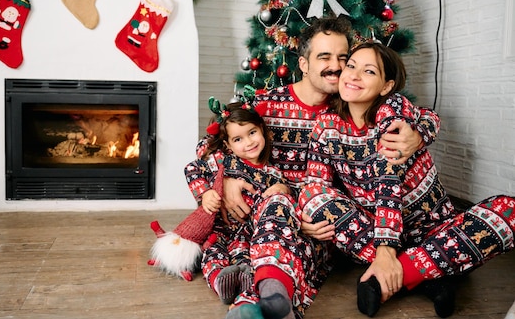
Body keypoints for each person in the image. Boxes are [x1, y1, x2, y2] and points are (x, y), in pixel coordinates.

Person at [221, 16, 441, 317]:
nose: (336, 67)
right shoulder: (266, 104)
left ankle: (263, 304)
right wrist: (230, 174)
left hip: (332, 219)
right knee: (281, 211)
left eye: (343, 58)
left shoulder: (350, 103)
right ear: (303, 64)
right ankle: (259, 303)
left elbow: (415, 113)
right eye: (324, 57)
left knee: (311, 246)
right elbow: (215, 138)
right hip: (281, 207)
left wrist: (420, 133)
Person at [298, 41, 515, 318]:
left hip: (434, 231)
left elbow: (388, 182)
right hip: (372, 232)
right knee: (314, 198)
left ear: (386, 86)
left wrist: (386, 251)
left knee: (509, 210)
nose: (352, 75)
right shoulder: (326, 125)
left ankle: (396, 274)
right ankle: (429, 274)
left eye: (368, 71)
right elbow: (315, 183)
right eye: (350, 66)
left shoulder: (393, 110)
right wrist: (306, 215)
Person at [184, 97, 295, 307]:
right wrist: (205, 193)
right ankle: (219, 280)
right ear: (228, 144)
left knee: (244, 257)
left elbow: (284, 196)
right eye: (238, 139)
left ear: (262, 130)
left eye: (252, 133)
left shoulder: (272, 172)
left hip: (247, 231)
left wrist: (283, 188)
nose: (249, 142)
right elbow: (192, 168)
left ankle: (245, 285)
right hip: (219, 228)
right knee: (213, 254)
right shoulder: (223, 161)